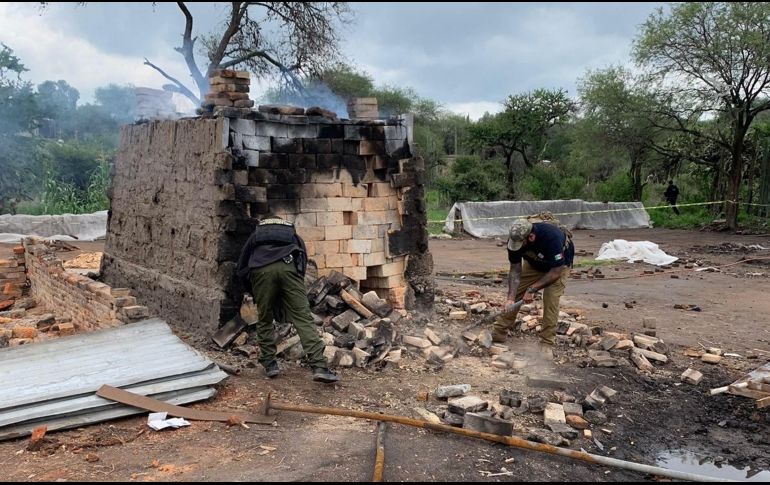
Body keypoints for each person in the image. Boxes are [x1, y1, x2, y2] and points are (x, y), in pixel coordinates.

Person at [236, 215, 339, 383]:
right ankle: (319, 367)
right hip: (288, 267)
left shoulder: (256, 235)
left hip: (261, 271)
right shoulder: (291, 233)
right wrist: (297, 279)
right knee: (302, 317)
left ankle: (270, 364)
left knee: (264, 317)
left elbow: (242, 265)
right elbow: (303, 258)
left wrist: (252, 289)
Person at [492, 219, 574, 359]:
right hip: (534, 264)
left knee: (550, 301)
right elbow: (515, 270)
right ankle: (498, 332)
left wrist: (532, 289)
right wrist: (510, 298)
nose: (517, 247)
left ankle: (546, 344)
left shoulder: (551, 238)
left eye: (521, 244)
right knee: (516, 292)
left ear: (531, 237)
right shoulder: (515, 240)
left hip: (558, 267)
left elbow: (555, 272)